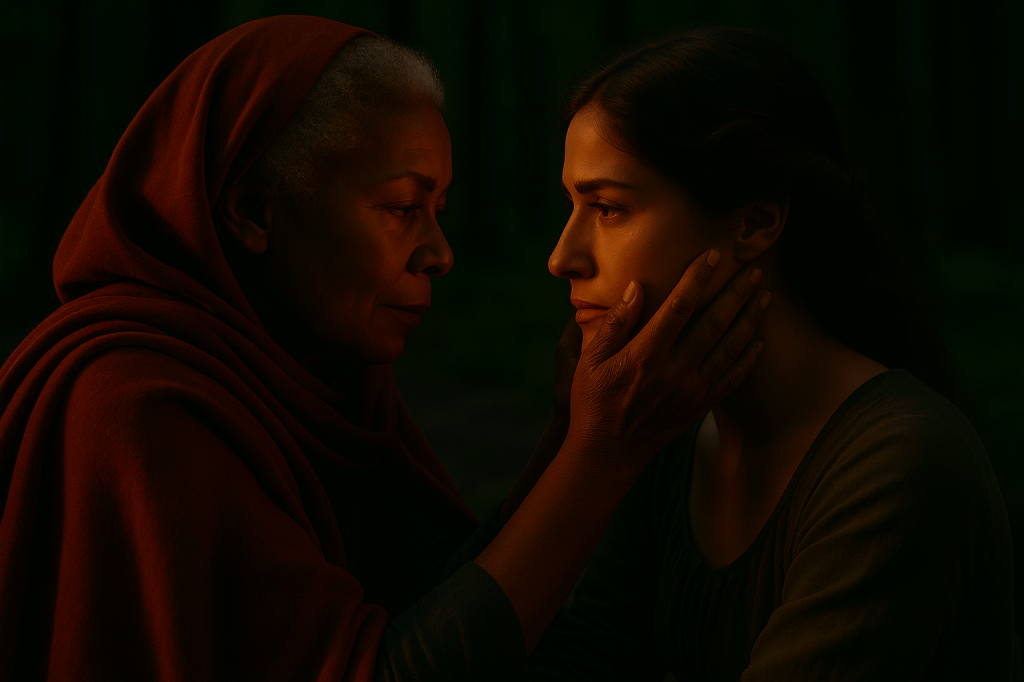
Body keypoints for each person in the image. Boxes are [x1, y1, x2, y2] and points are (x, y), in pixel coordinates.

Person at [0, 16, 772, 681]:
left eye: (438, 208)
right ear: (253, 209)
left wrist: (575, 438)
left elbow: (438, 601)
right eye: (402, 208)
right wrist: (600, 456)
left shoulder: (321, 377)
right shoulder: (132, 406)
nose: (437, 252)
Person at [530, 26, 1020, 680]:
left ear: (757, 221)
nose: (564, 257)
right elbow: (588, 657)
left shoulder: (899, 462)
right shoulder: (665, 426)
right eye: (571, 204)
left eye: (609, 208)